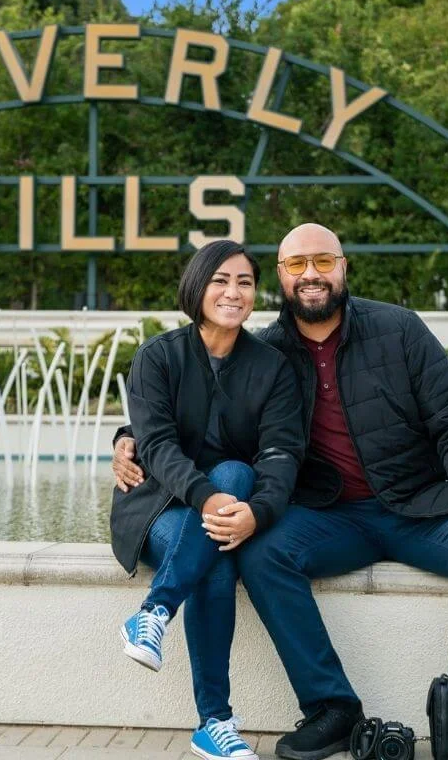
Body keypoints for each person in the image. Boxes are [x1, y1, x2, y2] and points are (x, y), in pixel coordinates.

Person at [114, 223, 448, 760]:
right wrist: (130, 438)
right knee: (261, 551)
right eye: (296, 265)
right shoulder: (266, 353)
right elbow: (211, 428)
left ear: (342, 267)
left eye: (323, 261)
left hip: (419, 506)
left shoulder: (399, 330)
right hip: (330, 514)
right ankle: (332, 710)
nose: (311, 274)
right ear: (282, 281)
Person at [110, 239, 305, 760]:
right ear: (197, 287)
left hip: (230, 506)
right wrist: (208, 497)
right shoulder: (158, 356)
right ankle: (214, 721)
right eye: (221, 280)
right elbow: (155, 445)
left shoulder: (272, 366)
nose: (234, 292)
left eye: (244, 282)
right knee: (217, 525)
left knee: (234, 484)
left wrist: (255, 511)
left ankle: (155, 616)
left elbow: (283, 453)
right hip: (156, 505)